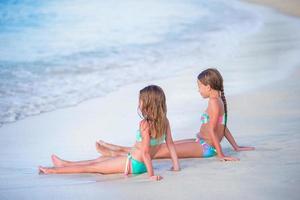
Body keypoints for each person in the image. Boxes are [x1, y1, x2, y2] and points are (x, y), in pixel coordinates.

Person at [96, 68, 254, 161]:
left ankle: (116, 153)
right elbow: (223, 128)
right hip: (200, 141)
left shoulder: (214, 102)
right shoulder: (217, 100)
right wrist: (236, 146)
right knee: (162, 146)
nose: (198, 89)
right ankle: (120, 149)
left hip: (206, 148)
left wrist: (221, 155)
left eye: (199, 86)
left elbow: (214, 130)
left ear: (208, 86)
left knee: (159, 152)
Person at [39, 85, 180, 181]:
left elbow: (145, 153)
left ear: (149, 104)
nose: (139, 103)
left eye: (141, 100)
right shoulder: (164, 121)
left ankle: (53, 171)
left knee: (92, 167)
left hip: (133, 164)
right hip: (138, 162)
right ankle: (66, 164)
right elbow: (170, 145)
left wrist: (151, 175)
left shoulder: (145, 125)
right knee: (99, 160)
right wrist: (176, 166)